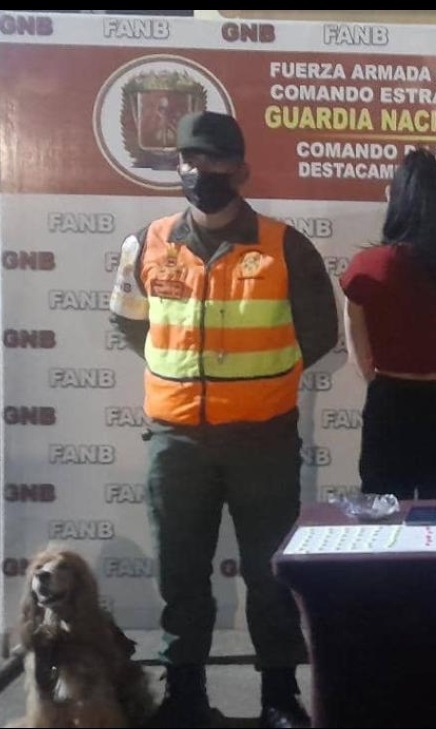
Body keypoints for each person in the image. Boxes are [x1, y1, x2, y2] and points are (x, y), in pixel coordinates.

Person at [108, 111, 338, 729]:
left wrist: (257, 382)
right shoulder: (148, 242)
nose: (199, 170)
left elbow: (319, 333)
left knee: (270, 575)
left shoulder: (286, 245)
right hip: (176, 441)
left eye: (213, 160)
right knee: (180, 575)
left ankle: (279, 696)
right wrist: (181, 375)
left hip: (263, 439)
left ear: (240, 170)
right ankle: (184, 694)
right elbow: (129, 321)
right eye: (189, 159)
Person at [339, 147, 436, 500]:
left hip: (390, 402)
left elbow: (359, 358)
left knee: (385, 513)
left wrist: (386, 384)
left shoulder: (365, 268)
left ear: (394, 200)